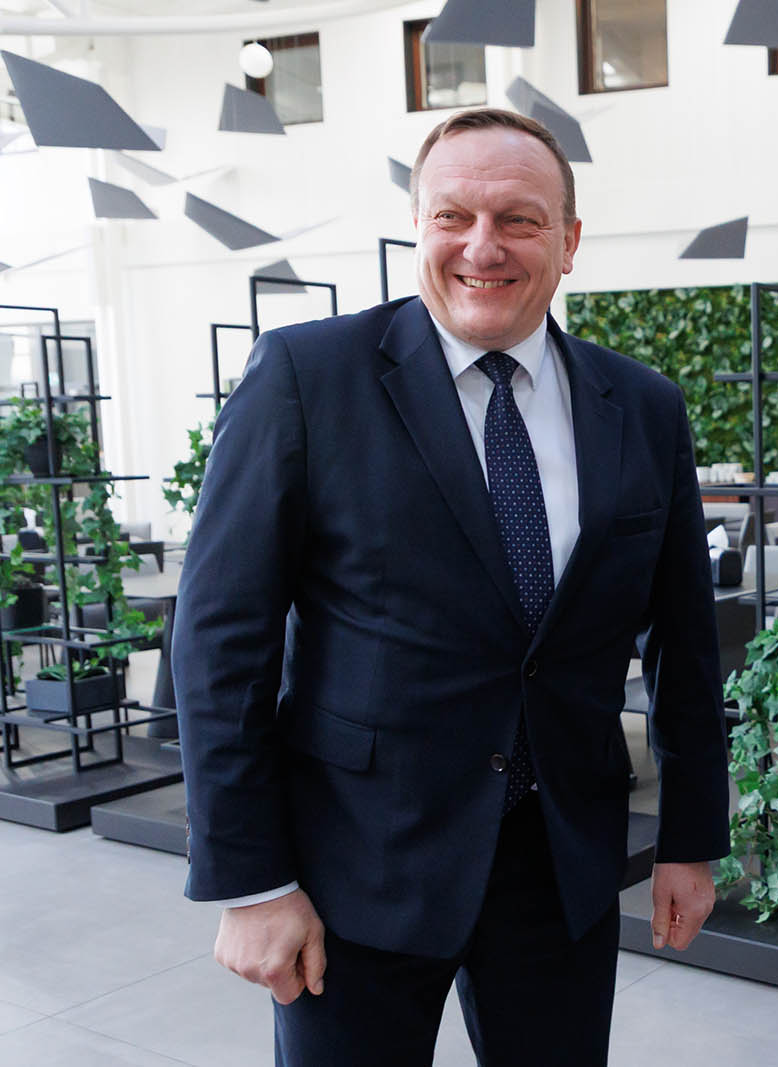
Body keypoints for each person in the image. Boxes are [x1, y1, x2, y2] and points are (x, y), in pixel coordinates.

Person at [173, 108, 730, 1066]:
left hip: (560, 869)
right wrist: (251, 879)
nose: (483, 246)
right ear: (418, 229)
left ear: (569, 242)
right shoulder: (308, 376)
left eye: (518, 219)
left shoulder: (642, 405)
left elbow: (683, 642)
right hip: (355, 870)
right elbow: (221, 639)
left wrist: (689, 837)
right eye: (453, 217)